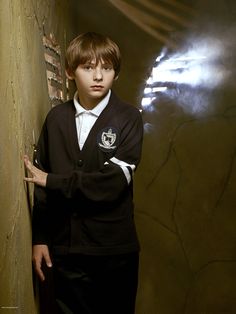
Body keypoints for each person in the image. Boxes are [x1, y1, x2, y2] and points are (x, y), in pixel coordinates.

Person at [24, 32, 143, 314]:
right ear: (69, 72)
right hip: (66, 253)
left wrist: (53, 181)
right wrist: (39, 238)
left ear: (116, 73)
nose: (98, 76)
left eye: (107, 68)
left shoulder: (128, 119)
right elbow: (40, 184)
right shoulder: (56, 120)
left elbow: (112, 184)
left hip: (114, 253)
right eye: (88, 68)